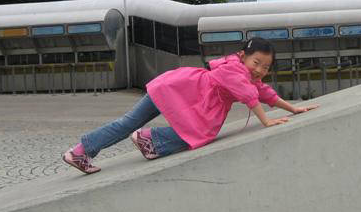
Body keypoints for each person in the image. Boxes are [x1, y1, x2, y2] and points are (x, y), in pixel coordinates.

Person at [62, 37, 319, 174]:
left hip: (177, 90)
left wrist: (293, 109)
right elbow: (250, 96)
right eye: (256, 63)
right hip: (180, 92)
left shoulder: (243, 71)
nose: (260, 70)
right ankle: (146, 139)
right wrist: (267, 121)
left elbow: (264, 93)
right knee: (196, 132)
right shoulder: (234, 70)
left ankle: (91, 150)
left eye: (266, 67)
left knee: (135, 123)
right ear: (243, 56)